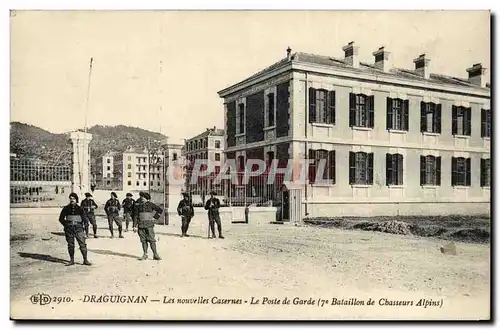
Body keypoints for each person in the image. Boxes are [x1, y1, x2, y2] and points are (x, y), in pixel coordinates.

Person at [58, 193, 92, 266]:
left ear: (76, 200)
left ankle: (85, 260)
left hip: (78, 229)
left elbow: (85, 221)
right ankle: (72, 260)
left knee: (82, 244)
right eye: (70, 198)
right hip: (69, 229)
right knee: (70, 245)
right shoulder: (66, 208)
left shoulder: (80, 209)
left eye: (73, 198)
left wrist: (86, 231)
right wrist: (66, 225)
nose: (72, 200)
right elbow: (61, 219)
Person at [133, 192, 163, 260]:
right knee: (143, 240)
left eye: (143, 197)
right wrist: (134, 226)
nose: (141, 198)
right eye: (141, 197)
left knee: (152, 240)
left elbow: (160, 210)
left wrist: (155, 217)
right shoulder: (138, 205)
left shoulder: (151, 205)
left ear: (147, 198)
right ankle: (145, 254)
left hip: (149, 225)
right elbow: (136, 216)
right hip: (140, 225)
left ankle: (155, 254)